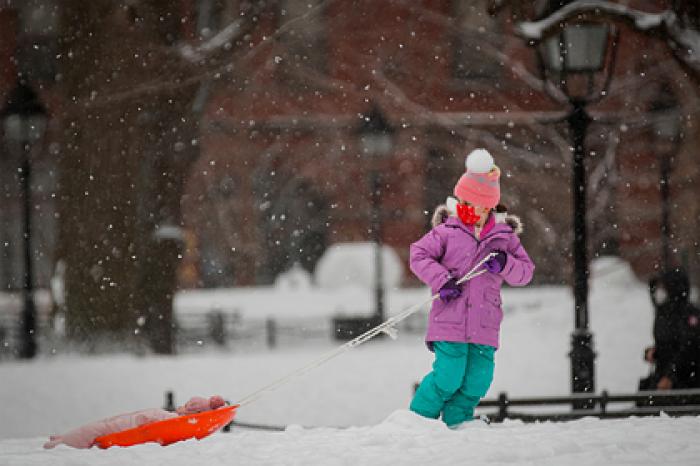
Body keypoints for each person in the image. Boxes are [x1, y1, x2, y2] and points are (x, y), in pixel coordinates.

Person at [409, 148, 534, 428]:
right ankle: (416, 423)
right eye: (464, 201)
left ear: (488, 206)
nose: (469, 208)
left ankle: (457, 425)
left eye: (475, 203)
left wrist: (504, 263)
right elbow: (418, 255)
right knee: (448, 377)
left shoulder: (504, 237)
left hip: (485, 323)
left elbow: (525, 272)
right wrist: (442, 280)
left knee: (478, 380)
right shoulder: (447, 231)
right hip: (450, 319)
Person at [43, 395, 226, 449]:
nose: (181, 407)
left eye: (186, 406)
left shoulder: (175, 419)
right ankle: (64, 438)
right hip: (135, 419)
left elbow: (151, 421)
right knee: (105, 424)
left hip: (133, 424)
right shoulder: (178, 419)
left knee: (102, 428)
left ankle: (64, 440)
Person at [639, 268, 700, 404]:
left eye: (663, 287)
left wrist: (670, 376)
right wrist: (653, 352)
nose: (660, 292)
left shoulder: (690, 315)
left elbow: (689, 349)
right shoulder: (663, 313)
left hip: (686, 384)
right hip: (662, 381)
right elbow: (666, 344)